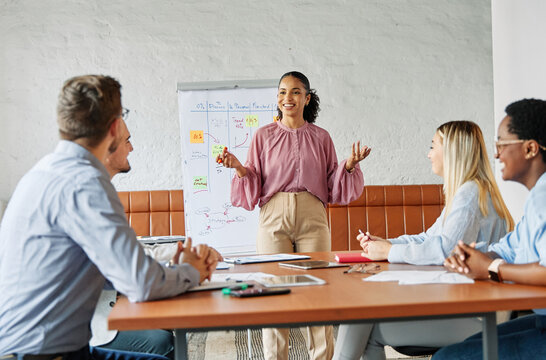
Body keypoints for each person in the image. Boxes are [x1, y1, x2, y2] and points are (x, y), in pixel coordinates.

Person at [0, 75, 219, 359]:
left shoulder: (44, 172)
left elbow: (115, 269)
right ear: (115, 126)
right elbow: (140, 284)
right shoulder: (86, 182)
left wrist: (173, 269)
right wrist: (191, 272)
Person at [217, 71, 371, 360]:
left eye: (295, 92)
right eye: (282, 92)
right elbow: (253, 180)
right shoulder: (263, 136)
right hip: (273, 215)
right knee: (273, 292)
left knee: (319, 293)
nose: (288, 98)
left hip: (313, 216)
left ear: (307, 98)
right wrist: (238, 166)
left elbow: (331, 183)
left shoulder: (321, 137)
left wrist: (348, 165)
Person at [333, 120, 514, 360]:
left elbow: (445, 249)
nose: (429, 154)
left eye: (433, 146)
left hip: (476, 316)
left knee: (360, 324)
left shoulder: (470, 193)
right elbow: (428, 237)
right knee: (357, 322)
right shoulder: (468, 191)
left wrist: (388, 252)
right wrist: (387, 243)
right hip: (464, 304)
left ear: (451, 151)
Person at [434, 99, 546, 360]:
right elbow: (507, 248)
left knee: (447, 358)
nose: (496, 154)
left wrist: (491, 268)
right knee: (469, 345)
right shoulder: (536, 199)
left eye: (501, 144)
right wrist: (472, 256)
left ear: (530, 149)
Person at [90, 119, 175, 359]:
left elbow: (129, 253)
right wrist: (188, 272)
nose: (132, 148)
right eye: (127, 141)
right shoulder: (92, 197)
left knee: (168, 329)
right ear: (109, 147)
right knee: (164, 342)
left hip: (100, 308)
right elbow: (132, 274)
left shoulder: (101, 191)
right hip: (81, 328)